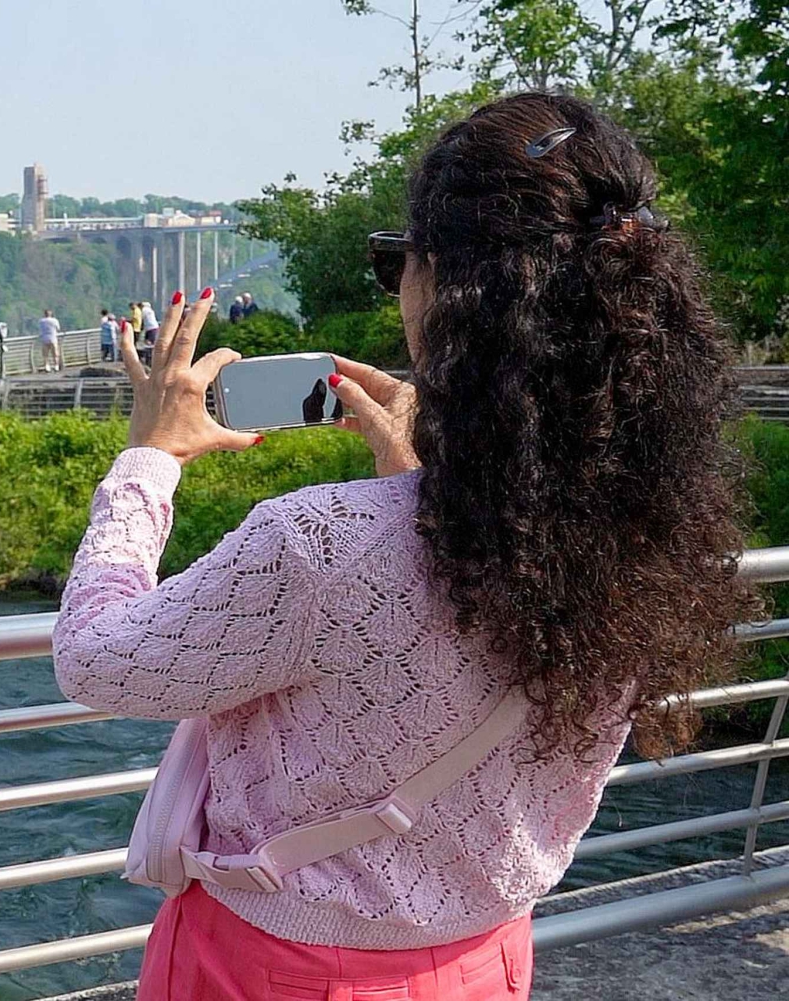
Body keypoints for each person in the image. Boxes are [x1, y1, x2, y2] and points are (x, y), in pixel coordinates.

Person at [52, 93, 757, 1001]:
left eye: (400, 263)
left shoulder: (319, 544)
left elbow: (95, 659)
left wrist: (149, 458)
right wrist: (421, 470)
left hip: (275, 972)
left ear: (452, 289)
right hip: (484, 960)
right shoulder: (644, 531)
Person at [139, 300, 159, 367]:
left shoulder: (145, 310)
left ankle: (149, 359)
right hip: (153, 327)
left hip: (150, 328)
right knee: (150, 343)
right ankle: (149, 359)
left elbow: (141, 319)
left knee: (149, 344)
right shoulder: (150, 311)